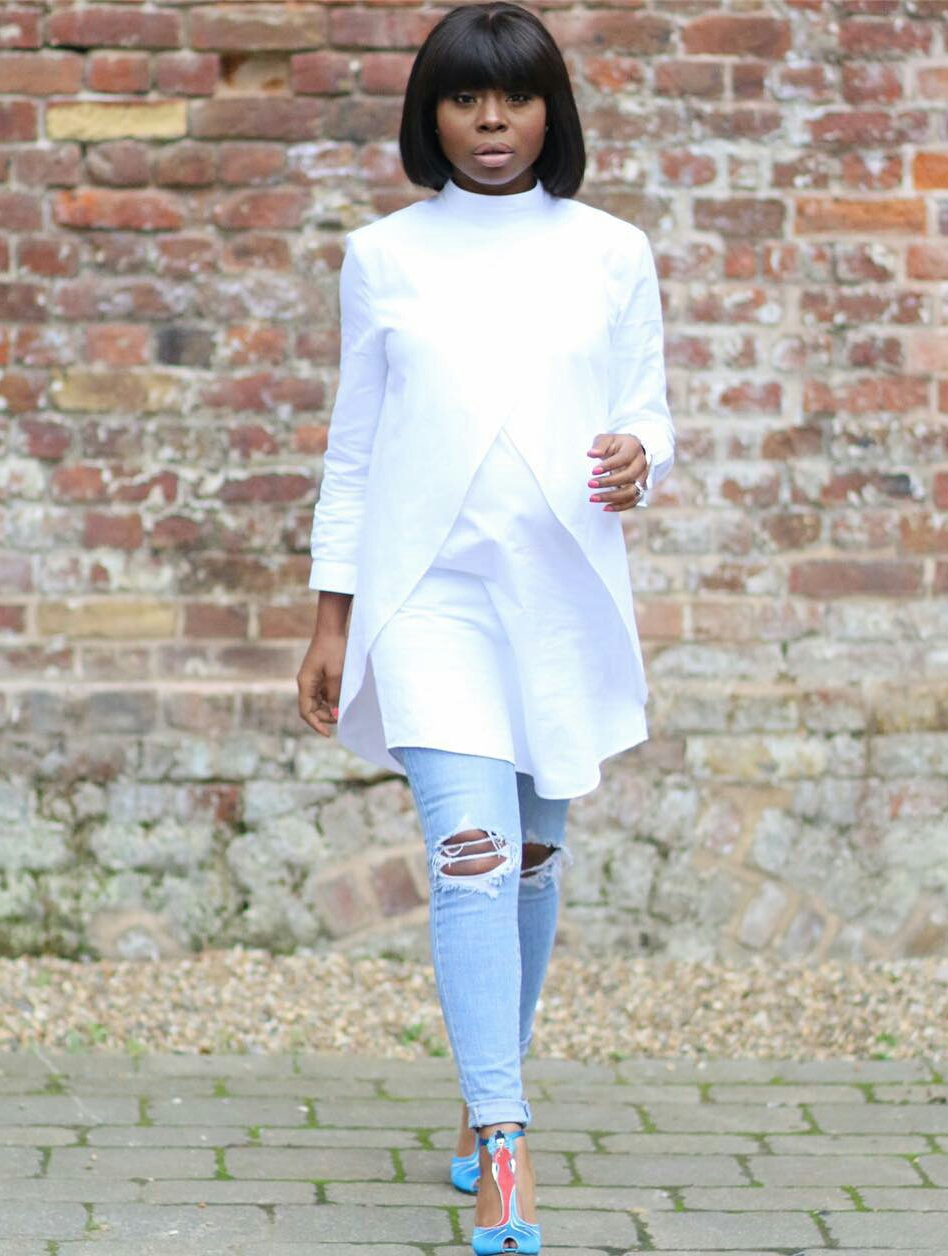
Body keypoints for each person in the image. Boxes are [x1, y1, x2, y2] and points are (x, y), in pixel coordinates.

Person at [296, 3, 675, 1251]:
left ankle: (480, 1085)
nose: (493, 121)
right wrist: (332, 615)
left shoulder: (612, 251)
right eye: (466, 98)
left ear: (552, 112)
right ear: (433, 115)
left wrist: (640, 457)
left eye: (516, 98)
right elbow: (355, 451)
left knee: (530, 856)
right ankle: (506, 1143)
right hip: (428, 598)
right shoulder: (383, 257)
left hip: (556, 598)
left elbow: (647, 412)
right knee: (470, 849)